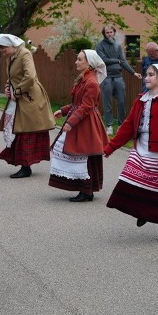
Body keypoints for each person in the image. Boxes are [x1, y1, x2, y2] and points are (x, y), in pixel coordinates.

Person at [104, 64, 158, 241]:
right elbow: (128, 126)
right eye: (146, 74)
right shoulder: (140, 100)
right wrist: (111, 147)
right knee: (130, 182)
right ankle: (143, 211)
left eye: (151, 75)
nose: (146, 78)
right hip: (141, 148)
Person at [49, 50, 109, 202]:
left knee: (84, 155)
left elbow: (86, 106)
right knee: (77, 154)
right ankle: (85, 189)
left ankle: (87, 190)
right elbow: (77, 103)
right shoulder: (85, 79)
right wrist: (63, 111)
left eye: (79, 59)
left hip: (87, 123)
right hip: (81, 120)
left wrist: (70, 122)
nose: (76, 62)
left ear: (89, 63)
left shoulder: (92, 82)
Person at [0, 34, 56, 178]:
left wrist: (16, 91)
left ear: (11, 46)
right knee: (18, 129)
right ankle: (23, 164)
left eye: (4, 50)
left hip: (30, 98)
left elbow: (30, 76)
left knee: (25, 131)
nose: (3, 54)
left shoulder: (25, 53)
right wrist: (8, 87)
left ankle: (25, 166)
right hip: (19, 97)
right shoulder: (12, 56)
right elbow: (12, 77)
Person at [96, 25, 142, 134]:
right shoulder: (100, 46)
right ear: (104, 34)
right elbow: (103, 60)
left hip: (118, 77)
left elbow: (123, 61)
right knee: (107, 103)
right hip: (106, 77)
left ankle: (121, 125)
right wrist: (117, 61)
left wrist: (134, 73)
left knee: (122, 101)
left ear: (114, 33)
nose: (109, 34)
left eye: (111, 32)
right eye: (107, 32)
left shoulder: (117, 46)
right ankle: (109, 126)